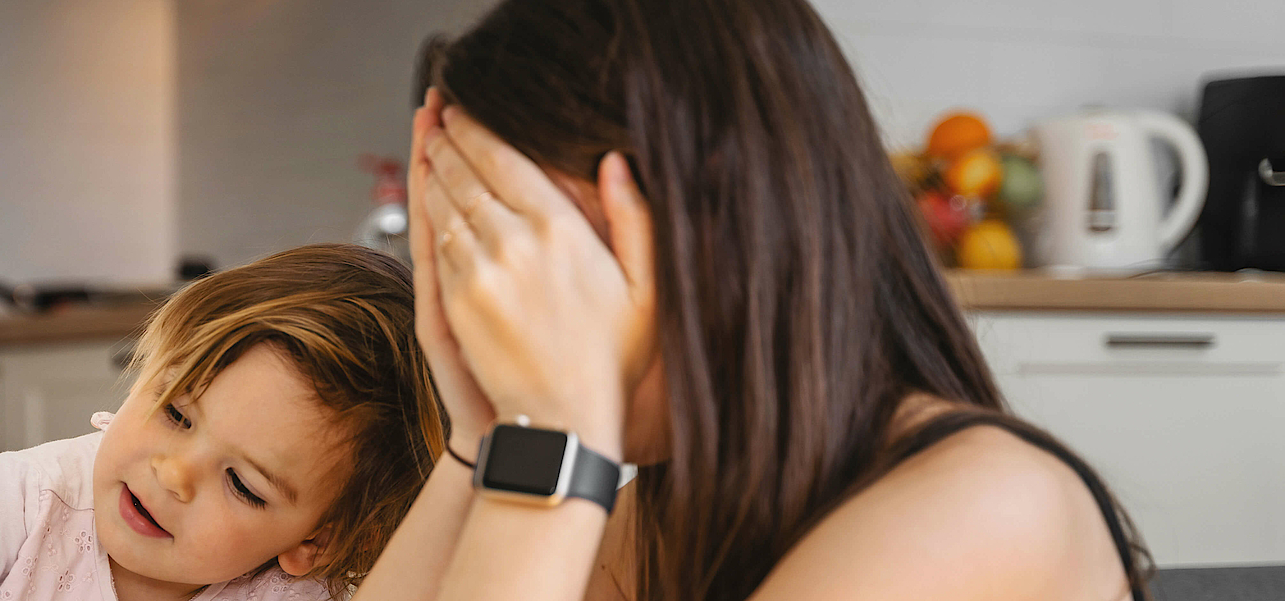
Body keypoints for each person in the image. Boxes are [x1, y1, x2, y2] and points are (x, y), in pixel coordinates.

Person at [352, 0, 1153, 600]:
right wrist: (483, 441)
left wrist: (555, 436)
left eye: (537, 261)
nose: (499, 313)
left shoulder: (989, 507)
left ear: (716, 226)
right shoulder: (661, 519)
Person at [0, 243, 446, 601]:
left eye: (242, 483)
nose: (172, 472)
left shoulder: (292, 590)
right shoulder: (31, 501)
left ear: (314, 541)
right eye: (176, 412)